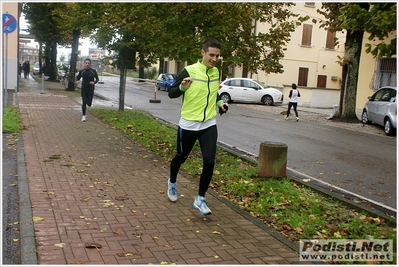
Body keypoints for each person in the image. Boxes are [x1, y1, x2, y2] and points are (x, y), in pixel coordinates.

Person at [167, 38, 228, 216]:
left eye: (217, 56)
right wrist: (183, 87)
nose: (214, 59)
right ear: (202, 53)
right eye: (211, 55)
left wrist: (220, 103)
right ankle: (171, 182)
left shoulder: (216, 72)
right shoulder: (189, 70)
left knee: (209, 161)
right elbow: (171, 93)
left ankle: (200, 198)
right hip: (189, 124)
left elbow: (213, 92)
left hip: (209, 123)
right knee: (181, 156)